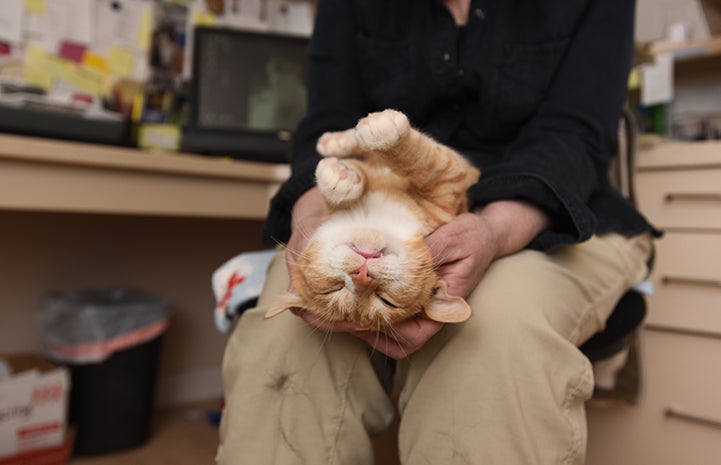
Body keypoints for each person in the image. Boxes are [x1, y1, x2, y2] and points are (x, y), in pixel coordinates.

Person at [216, 1, 659, 464]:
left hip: (549, 209)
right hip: (379, 198)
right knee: (283, 345)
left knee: (492, 338)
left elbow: (575, 134)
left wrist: (493, 229)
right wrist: (311, 212)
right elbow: (328, 124)